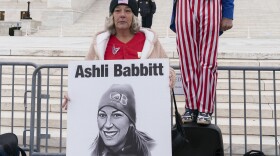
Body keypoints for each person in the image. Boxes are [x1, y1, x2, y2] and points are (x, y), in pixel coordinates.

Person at [63, 0, 175, 109]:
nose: (122, 15)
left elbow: (167, 68)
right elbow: (84, 75)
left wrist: (170, 77)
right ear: (111, 16)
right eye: (117, 11)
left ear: (134, 16)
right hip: (111, 106)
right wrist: (73, 94)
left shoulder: (150, 40)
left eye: (127, 11)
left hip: (144, 107)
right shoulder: (100, 42)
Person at [174, 0, 234, 125]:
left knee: (208, 58)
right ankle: (191, 106)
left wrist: (228, 12)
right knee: (186, 58)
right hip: (184, 4)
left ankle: (205, 109)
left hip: (210, 4)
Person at [91, 84, 155, 156]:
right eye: (102, 115)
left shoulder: (152, 150)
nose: (107, 124)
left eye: (116, 115)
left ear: (131, 121)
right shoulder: (93, 152)